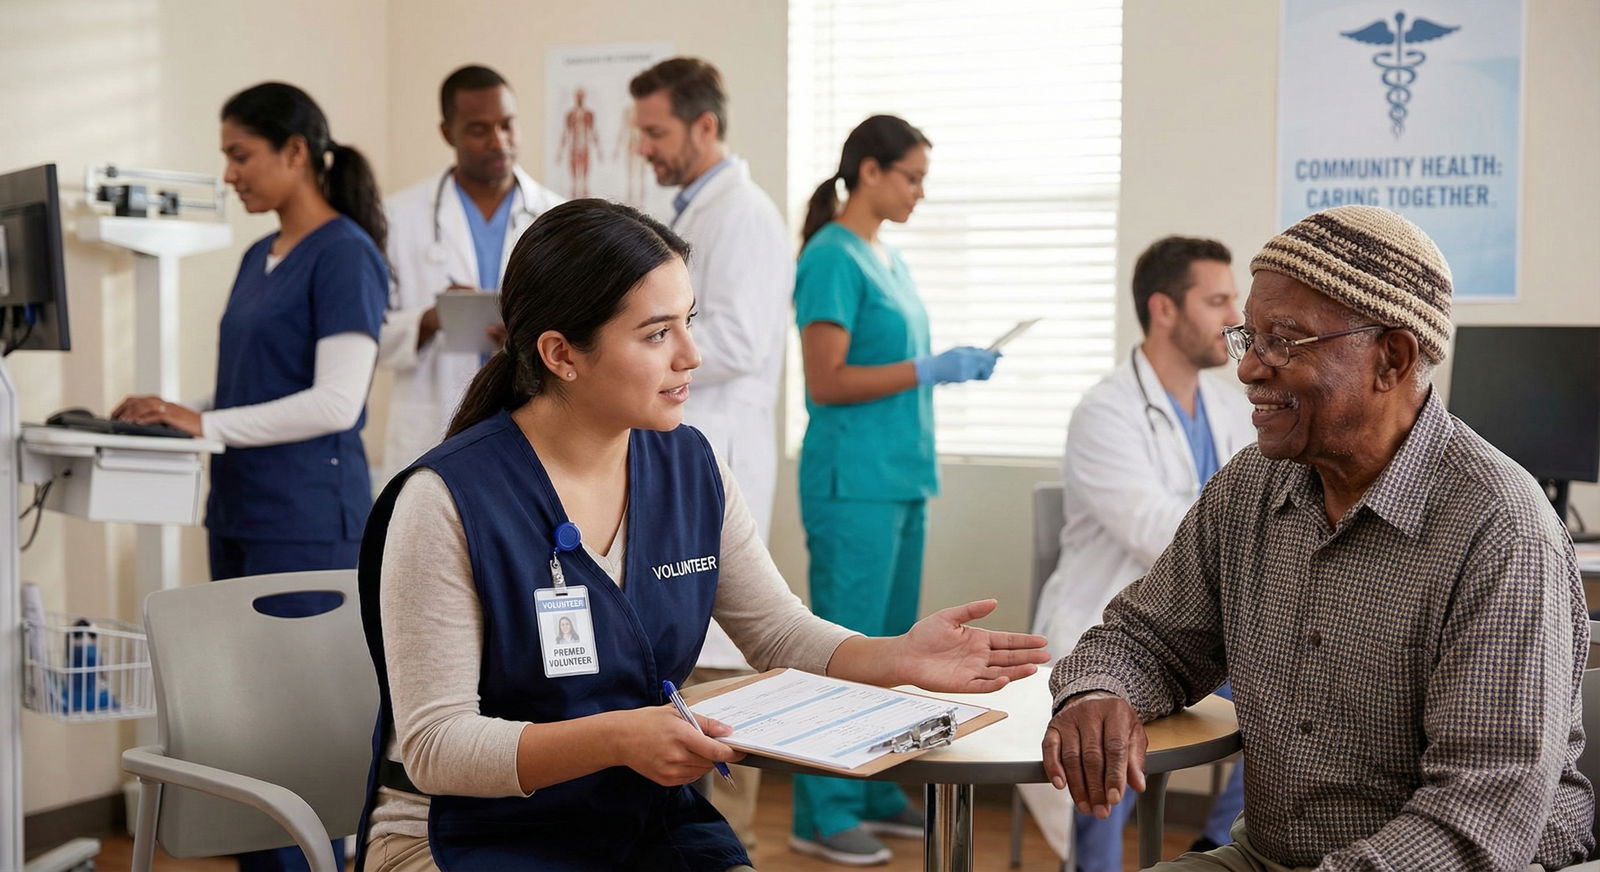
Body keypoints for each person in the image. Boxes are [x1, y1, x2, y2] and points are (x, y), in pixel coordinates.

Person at [352, 199, 1050, 872]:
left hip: (641, 823)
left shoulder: (692, 468)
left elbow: (777, 633)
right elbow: (436, 747)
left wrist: (893, 655)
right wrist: (622, 738)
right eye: (657, 334)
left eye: (689, 321)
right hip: (470, 835)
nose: (694, 355)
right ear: (562, 354)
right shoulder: (444, 501)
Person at [1040, 206, 1594, 871]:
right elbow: (1146, 637)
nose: (1248, 368)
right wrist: (1099, 690)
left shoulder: (1499, 531)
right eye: (1252, 337)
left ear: (1392, 359)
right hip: (1271, 855)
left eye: (1285, 341)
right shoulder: (1253, 484)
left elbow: (1476, 820)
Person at [113, 81, 389, 872]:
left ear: (295, 153)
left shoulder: (345, 255)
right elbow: (255, 392)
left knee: (295, 744)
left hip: (308, 520)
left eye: (241, 154)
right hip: (238, 513)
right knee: (241, 742)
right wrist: (181, 410)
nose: (229, 172)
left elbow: (337, 402)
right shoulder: (255, 257)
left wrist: (208, 426)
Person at [790, 114, 1002, 865]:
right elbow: (827, 381)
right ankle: (822, 807)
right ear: (870, 171)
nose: (918, 192)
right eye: (910, 177)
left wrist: (952, 366)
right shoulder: (830, 257)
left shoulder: (888, 259)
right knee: (847, 644)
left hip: (901, 476)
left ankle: (876, 783)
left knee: (897, 647)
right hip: (853, 483)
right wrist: (927, 369)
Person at [1019, 236, 1256, 869]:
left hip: (1213, 628)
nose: (1237, 317)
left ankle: (1218, 843)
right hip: (1115, 622)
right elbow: (1161, 534)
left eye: (1235, 299)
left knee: (1292, 696)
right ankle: (1091, 866)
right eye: (1218, 300)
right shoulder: (1106, 411)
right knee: (1107, 735)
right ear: (1164, 309)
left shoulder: (1233, 410)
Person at [629, 56, 794, 849]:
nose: (647, 149)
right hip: (670, 451)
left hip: (713, 451)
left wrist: (638, 335)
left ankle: (732, 849)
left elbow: (741, 340)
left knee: (726, 686)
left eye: (657, 132)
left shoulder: (747, 215)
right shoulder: (690, 210)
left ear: (704, 126)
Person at [379, 65, 563, 478]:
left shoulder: (557, 216)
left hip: (529, 412)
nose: (498, 141)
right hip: (433, 417)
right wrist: (431, 319)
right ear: (448, 133)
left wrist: (526, 333)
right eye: (479, 129)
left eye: (507, 125)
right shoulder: (398, 218)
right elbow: (369, 336)